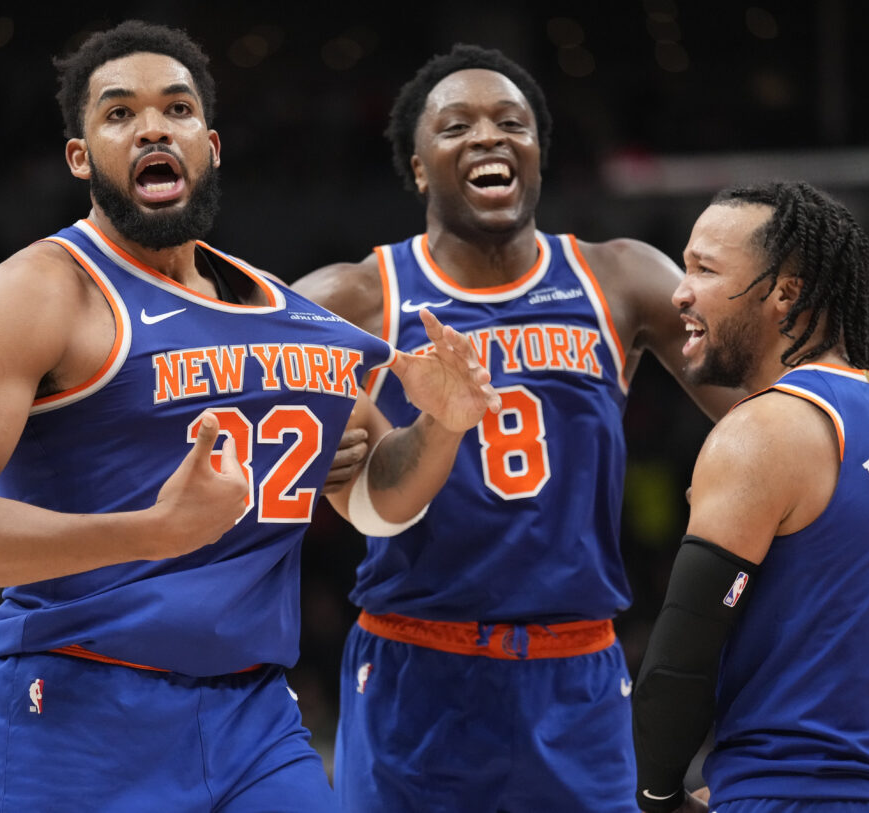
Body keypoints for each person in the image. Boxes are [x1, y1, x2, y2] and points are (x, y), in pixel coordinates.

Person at [0, 21, 499, 813]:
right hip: (71, 712)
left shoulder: (289, 318)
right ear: (80, 157)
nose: (152, 127)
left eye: (175, 109)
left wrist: (442, 425)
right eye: (119, 113)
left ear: (209, 146)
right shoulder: (35, 294)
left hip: (253, 721)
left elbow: (377, 503)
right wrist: (150, 532)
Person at [293, 44, 737, 813]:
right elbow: (218, 398)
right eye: (456, 125)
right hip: (414, 667)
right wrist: (313, 452)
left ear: (537, 152)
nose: (488, 136)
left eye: (511, 122)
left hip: (576, 673)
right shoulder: (356, 298)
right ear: (418, 167)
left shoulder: (620, 277)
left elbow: (769, 410)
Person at [630, 181, 869, 812]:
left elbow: (677, 666)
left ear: (784, 293)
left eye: (704, 269)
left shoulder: (763, 429)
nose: (679, 292)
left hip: (800, 791)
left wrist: (661, 796)